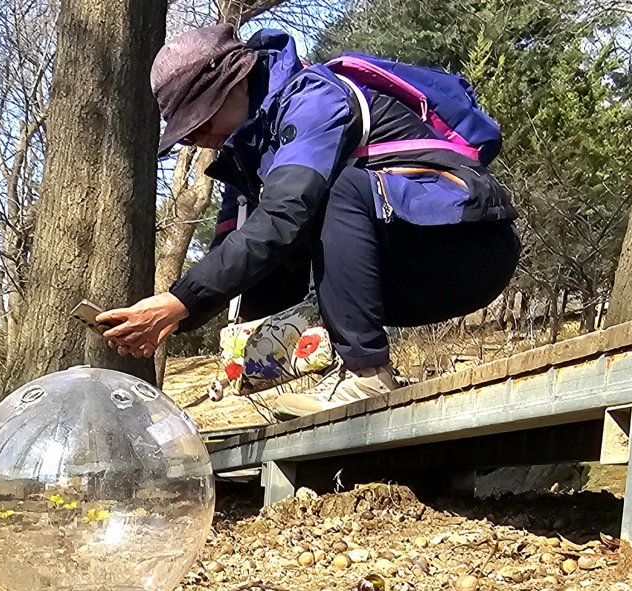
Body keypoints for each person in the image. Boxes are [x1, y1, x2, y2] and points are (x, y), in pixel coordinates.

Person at [99, 24, 520, 417]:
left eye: (199, 119)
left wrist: (180, 300)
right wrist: (180, 317)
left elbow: (287, 211)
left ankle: (368, 376)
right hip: (397, 269)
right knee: (276, 231)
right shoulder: (245, 155)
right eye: (186, 132)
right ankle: (335, 375)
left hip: (469, 249)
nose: (197, 137)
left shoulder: (314, 98)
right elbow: (240, 252)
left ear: (238, 81)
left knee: (328, 191)